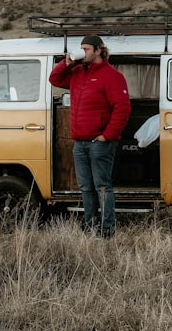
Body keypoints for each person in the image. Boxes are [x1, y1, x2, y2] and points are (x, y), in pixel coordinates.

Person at [49, 34, 131, 237]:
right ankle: (89, 227)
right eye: (81, 48)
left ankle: (107, 230)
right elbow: (54, 79)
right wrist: (66, 63)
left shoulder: (112, 76)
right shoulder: (77, 73)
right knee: (86, 188)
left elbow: (122, 108)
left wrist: (107, 135)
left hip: (100, 143)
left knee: (102, 187)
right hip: (80, 143)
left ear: (98, 51)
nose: (82, 52)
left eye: (86, 49)